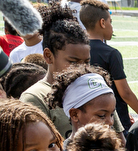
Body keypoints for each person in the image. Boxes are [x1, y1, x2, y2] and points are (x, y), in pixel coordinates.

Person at [21, 1, 125, 139]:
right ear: (48, 56)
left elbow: (120, 140)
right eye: (73, 62)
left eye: (87, 61)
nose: (82, 68)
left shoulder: (95, 86)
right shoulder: (35, 97)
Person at [48, 65, 117, 151]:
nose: (109, 122)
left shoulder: (112, 148)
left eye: (112, 114)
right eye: (102, 115)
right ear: (74, 114)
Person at [81, 0, 138, 128]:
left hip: (88, 119)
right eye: (110, 22)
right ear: (102, 23)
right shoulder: (111, 53)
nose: (112, 27)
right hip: (114, 121)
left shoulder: (77, 51)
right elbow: (125, 93)